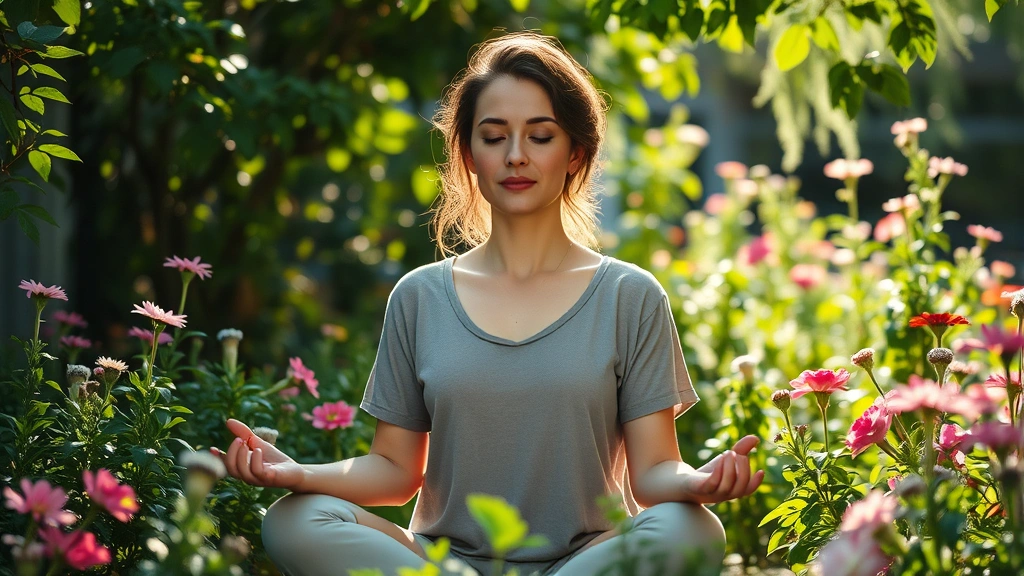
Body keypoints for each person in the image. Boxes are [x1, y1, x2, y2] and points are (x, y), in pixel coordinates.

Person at [213, 31, 764, 576]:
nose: (516, 156)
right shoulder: (419, 296)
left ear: (576, 152)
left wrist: (699, 483)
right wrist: (298, 475)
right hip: (445, 568)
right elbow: (394, 472)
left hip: (587, 563)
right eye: (494, 136)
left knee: (692, 528)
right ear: (468, 154)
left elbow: (653, 474)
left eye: (540, 136)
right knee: (292, 519)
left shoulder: (629, 295)